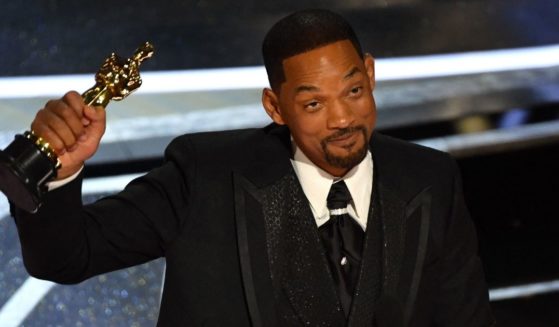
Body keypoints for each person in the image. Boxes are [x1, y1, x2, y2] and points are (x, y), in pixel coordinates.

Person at [10, 9, 495, 327]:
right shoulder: (205, 176)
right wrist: (61, 172)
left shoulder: (430, 179)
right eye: (313, 103)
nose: (344, 119)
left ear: (370, 74)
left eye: (353, 91)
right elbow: (65, 257)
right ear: (275, 107)